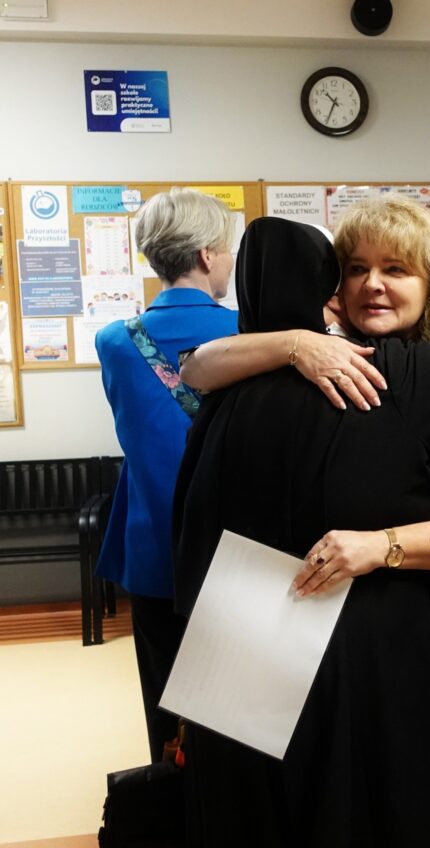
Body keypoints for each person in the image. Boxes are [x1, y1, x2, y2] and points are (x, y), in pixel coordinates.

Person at [173, 208, 430, 846]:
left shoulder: (223, 396)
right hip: (369, 636)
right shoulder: (390, 371)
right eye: (355, 269)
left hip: (245, 629)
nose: (372, 284)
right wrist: (301, 343)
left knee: (255, 810)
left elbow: (193, 376)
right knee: (378, 804)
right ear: (331, 287)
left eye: (397, 269)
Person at [93, 188, 238, 763]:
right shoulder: (250, 332)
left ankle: (171, 791)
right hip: (234, 546)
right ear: (206, 255)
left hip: (151, 547)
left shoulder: (114, 342)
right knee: (238, 708)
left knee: (165, 698)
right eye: (226, 248)